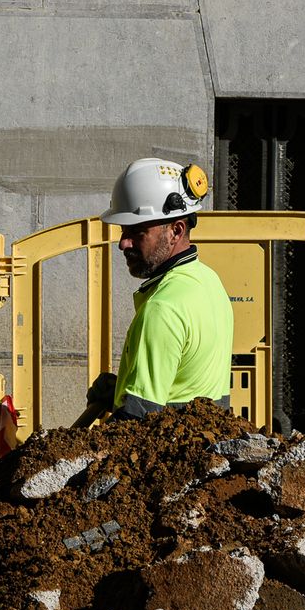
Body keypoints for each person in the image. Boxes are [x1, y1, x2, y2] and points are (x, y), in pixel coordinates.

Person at [84, 158, 235, 422]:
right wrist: (121, 391)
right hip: (202, 445)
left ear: (176, 231)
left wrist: (123, 410)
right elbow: (185, 386)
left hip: (170, 448)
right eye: (123, 230)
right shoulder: (209, 282)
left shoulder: (162, 308)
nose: (123, 243)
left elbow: (136, 424)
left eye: (137, 232)